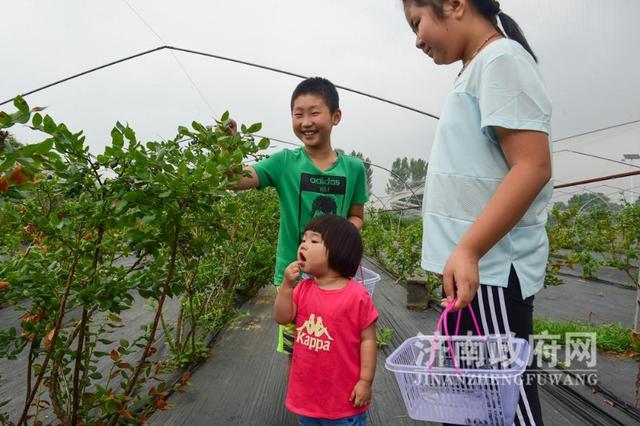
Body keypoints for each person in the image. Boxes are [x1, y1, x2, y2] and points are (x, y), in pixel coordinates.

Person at [402, 1, 552, 425]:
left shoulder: (500, 60)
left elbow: (533, 165)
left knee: (507, 406)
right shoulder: (476, 67)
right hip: (472, 277)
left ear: (454, 4)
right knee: (479, 403)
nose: (417, 40)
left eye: (417, 23)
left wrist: (468, 248)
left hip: (489, 274)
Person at [227, 77, 369, 356]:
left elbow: (357, 217)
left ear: (335, 116)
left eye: (315, 112)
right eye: (298, 114)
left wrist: (341, 242)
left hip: (335, 276)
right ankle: (298, 399)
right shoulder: (284, 163)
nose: (306, 121)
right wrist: (228, 146)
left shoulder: (353, 169)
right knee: (297, 347)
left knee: (330, 346)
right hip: (293, 276)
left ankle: (325, 397)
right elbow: (234, 180)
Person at [274, 215, 377, 425]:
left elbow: (368, 340)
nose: (304, 244)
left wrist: (365, 381)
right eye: (303, 239)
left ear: (339, 251)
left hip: (343, 401)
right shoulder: (302, 289)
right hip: (309, 399)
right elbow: (282, 317)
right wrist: (286, 287)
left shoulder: (356, 296)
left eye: (313, 241)